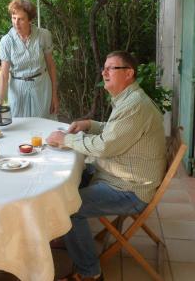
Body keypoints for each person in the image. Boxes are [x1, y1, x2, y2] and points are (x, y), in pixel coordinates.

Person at [46, 51, 166, 281]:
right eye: (104, 68)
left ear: (129, 73)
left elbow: (104, 147)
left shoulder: (135, 106)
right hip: (120, 175)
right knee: (71, 178)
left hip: (130, 189)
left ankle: (89, 273)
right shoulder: (129, 100)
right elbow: (116, 132)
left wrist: (66, 140)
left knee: (69, 207)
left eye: (111, 68)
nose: (104, 72)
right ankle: (66, 232)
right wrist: (90, 124)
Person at [0, 0, 59, 118]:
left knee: (43, 127)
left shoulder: (43, 35)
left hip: (42, 87)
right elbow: (4, 75)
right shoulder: (6, 41)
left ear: (30, 20)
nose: (16, 23)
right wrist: (0, 99)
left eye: (21, 19)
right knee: (20, 127)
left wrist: (54, 95)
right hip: (18, 90)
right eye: (14, 18)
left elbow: (51, 66)